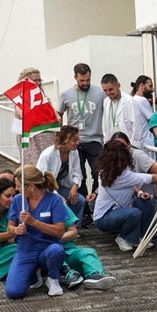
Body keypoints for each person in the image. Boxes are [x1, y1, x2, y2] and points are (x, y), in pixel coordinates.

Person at [92, 138, 157, 251]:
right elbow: (151, 178)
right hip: (103, 218)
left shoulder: (110, 170)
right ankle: (124, 238)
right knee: (134, 213)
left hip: (120, 210)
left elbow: (129, 183)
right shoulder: (120, 175)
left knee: (146, 203)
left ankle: (140, 237)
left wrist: (139, 193)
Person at [5, 167, 70, 299]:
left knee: (57, 250)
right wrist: (16, 230)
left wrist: (34, 222)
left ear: (31, 186)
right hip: (26, 250)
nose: (16, 189)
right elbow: (10, 227)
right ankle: (34, 275)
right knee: (13, 292)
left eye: (19, 186)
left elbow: (59, 231)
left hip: (47, 248)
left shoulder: (55, 200)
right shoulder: (18, 200)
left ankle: (53, 278)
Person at [58, 63, 104, 213]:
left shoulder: (100, 92)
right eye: (82, 80)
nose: (85, 83)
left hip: (94, 139)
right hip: (74, 142)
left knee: (99, 172)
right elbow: (59, 115)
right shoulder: (66, 94)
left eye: (88, 80)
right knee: (79, 176)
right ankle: (84, 212)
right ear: (75, 78)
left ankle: (96, 204)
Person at [37, 126, 88, 222]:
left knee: (80, 200)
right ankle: (57, 224)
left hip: (60, 187)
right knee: (60, 202)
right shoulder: (47, 155)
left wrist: (75, 187)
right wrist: (56, 196)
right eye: (74, 140)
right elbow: (42, 180)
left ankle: (71, 225)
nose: (78, 143)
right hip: (46, 189)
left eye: (78, 140)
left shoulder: (74, 153)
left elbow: (77, 172)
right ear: (65, 140)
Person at [15, 68, 58, 158]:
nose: (38, 83)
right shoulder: (20, 101)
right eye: (35, 80)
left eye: (39, 80)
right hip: (31, 141)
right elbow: (27, 118)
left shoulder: (44, 99)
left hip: (47, 138)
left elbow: (57, 118)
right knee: (33, 165)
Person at [100, 74, 149, 148]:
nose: (108, 93)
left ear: (118, 85)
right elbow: (107, 126)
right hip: (113, 147)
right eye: (105, 90)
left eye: (110, 89)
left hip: (128, 147)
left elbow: (137, 127)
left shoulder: (129, 101)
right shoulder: (106, 102)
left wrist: (133, 146)